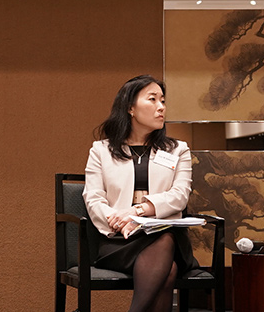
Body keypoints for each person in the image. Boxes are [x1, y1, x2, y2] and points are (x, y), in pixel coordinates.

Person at [83, 75, 197, 312]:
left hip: (164, 233)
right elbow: (93, 198)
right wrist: (118, 220)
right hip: (120, 239)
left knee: (165, 240)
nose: (161, 107)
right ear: (130, 108)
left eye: (163, 101)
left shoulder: (178, 150)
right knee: (168, 271)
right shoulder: (101, 151)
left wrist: (137, 211)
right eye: (152, 99)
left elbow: (180, 195)